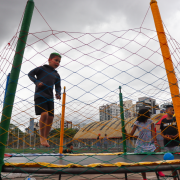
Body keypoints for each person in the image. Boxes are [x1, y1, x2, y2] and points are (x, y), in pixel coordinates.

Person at [28, 52, 61, 147]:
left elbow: (58, 86)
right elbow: (30, 74)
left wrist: (58, 93)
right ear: (49, 60)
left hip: (50, 97)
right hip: (40, 95)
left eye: (59, 61)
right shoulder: (41, 68)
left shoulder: (56, 74)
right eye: (56, 60)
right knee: (45, 114)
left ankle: (45, 137)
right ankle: (41, 136)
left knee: (51, 117)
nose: (57, 63)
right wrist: (37, 81)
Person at [127, 108, 164, 180]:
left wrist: (155, 142)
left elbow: (153, 132)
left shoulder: (150, 122)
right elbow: (131, 134)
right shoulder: (137, 122)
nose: (149, 115)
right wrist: (126, 133)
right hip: (140, 145)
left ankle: (159, 170)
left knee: (158, 151)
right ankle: (144, 178)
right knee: (142, 162)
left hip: (149, 143)